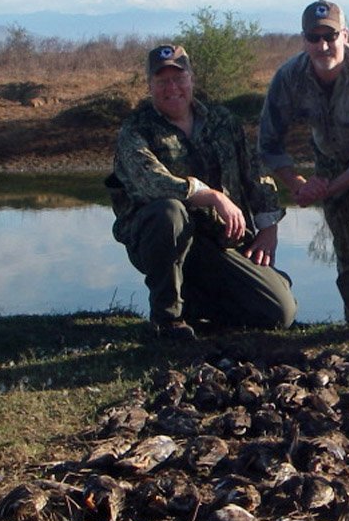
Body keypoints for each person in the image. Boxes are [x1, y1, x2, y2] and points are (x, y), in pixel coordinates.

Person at [109, 44, 297, 339]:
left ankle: (199, 303)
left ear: (191, 79)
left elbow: (255, 173)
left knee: (279, 313)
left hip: (220, 241)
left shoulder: (224, 121)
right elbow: (151, 182)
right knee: (168, 211)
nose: (172, 88)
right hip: (163, 240)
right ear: (149, 86)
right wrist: (211, 195)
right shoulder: (135, 130)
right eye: (162, 81)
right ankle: (168, 319)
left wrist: (268, 227)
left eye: (178, 78)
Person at [258, 0, 349, 327]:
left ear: (345, 35)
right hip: (326, 160)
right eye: (314, 38)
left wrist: (333, 186)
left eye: (330, 36)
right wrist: (297, 184)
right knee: (343, 238)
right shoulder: (289, 77)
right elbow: (268, 143)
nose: (323, 45)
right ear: (304, 39)